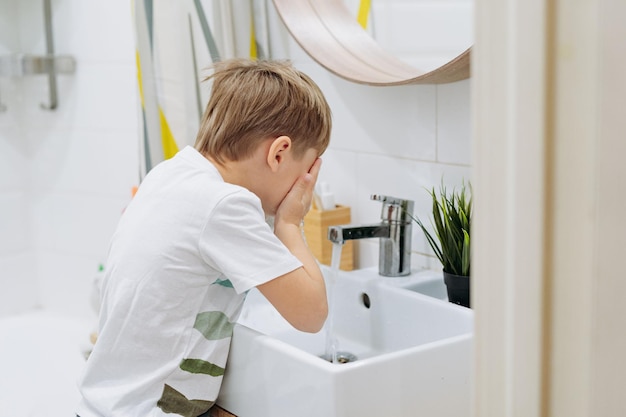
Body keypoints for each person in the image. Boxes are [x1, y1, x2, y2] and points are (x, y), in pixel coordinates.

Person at [76, 58, 331, 417]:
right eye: (307, 172)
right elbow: (312, 314)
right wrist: (289, 223)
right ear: (279, 153)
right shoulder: (224, 205)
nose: (306, 186)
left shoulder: (170, 173)